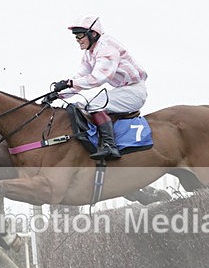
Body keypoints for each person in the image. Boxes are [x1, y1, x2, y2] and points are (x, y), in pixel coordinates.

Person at [50, 16, 148, 160]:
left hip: (134, 91)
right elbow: (79, 78)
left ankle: (110, 146)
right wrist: (57, 95)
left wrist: (69, 83)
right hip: (123, 90)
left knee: (93, 105)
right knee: (82, 105)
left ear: (93, 34)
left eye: (80, 35)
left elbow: (98, 78)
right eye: (76, 36)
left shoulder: (106, 48)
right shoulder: (90, 53)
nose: (77, 39)